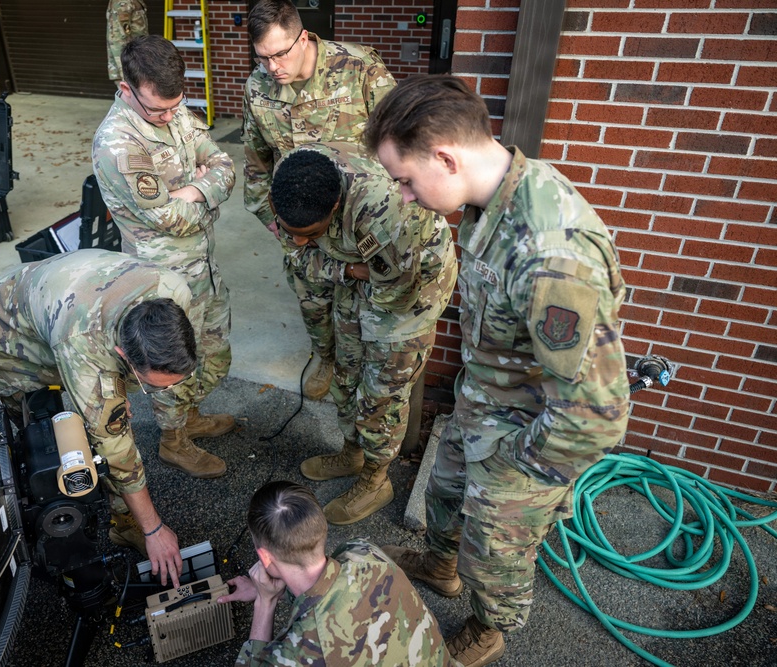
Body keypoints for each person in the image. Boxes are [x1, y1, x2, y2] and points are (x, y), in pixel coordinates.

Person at [364, 74, 631, 667]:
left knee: (495, 553)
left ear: (445, 158)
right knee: (444, 495)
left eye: (404, 180)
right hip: (482, 405)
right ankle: (440, 566)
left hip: (525, 437)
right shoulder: (490, 200)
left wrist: (514, 468)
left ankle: (489, 627)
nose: (403, 196)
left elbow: (595, 415)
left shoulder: (552, 254)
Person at [0, 250, 202, 588]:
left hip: (68, 300)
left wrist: (114, 393)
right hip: (7, 323)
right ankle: (122, 523)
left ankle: (124, 520)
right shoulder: (83, 343)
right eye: (151, 386)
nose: (163, 392)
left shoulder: (175, 290)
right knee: (42, 432)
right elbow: (116, 449)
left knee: (102, 412)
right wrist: (154, 529)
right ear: (122, 354)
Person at [269, 143, 457, 525]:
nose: (300, 240)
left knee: (381, 396)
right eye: (292, 231)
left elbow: (397, 290)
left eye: (311, 234)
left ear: (336, 206)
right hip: (359, 275)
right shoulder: (292, 182)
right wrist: (350, 270)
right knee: (346, 372)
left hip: (408, 294)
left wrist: (343, 269)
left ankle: (376, 480)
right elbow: (298, 256)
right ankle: (352, 453)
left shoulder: (385, 212)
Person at [93, 34, 237, 480]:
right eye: (158, 110)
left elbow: (225, 166)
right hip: (162, 278)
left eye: (176, 106)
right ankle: (174, 441)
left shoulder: (172, 108)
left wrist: (191, 190)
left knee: (214, 355)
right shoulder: (118, 144)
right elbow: (167, 219)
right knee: (171, 365)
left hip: (203, 266)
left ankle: (189, 418)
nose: (170, 116)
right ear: (126, 89)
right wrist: (206, 194)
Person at [242, 0, 397, 402]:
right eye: (262, 57)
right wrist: (272, 218)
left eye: (280, 54)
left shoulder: (359, 68)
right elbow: (257, 160)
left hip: (356, 220)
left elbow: (400, 140)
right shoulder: (257, 87)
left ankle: (356, 367)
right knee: (311, 297)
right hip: (299, 221)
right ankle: (324, 356)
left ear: (303, 38)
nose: (272, 67)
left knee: (361, 299)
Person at [218, 481, 454, 666]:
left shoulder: (301, 650)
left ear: (265, 557)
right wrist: (274, 590)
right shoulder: (363, 552)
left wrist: (265, 601)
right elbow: (326, 587)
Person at [106, 0, 148, 83]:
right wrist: (126, 70)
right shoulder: (123, 3)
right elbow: (119, 39)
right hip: (131, 61)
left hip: (136, 57)